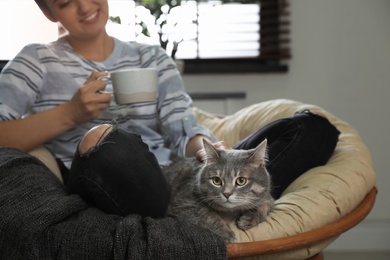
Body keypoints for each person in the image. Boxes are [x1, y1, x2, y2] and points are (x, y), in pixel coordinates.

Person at [0, 0, 340, 259]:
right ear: (50, 13)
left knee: (313, 129)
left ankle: (238, 202)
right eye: (65, 2)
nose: (86, 6)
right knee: (108, 144)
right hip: (113, 180)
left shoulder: (151, 57)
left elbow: (182, 125)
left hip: (185, 178)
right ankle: (192, 212)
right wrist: (70, 114)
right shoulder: (35, 61)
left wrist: (211, 152)